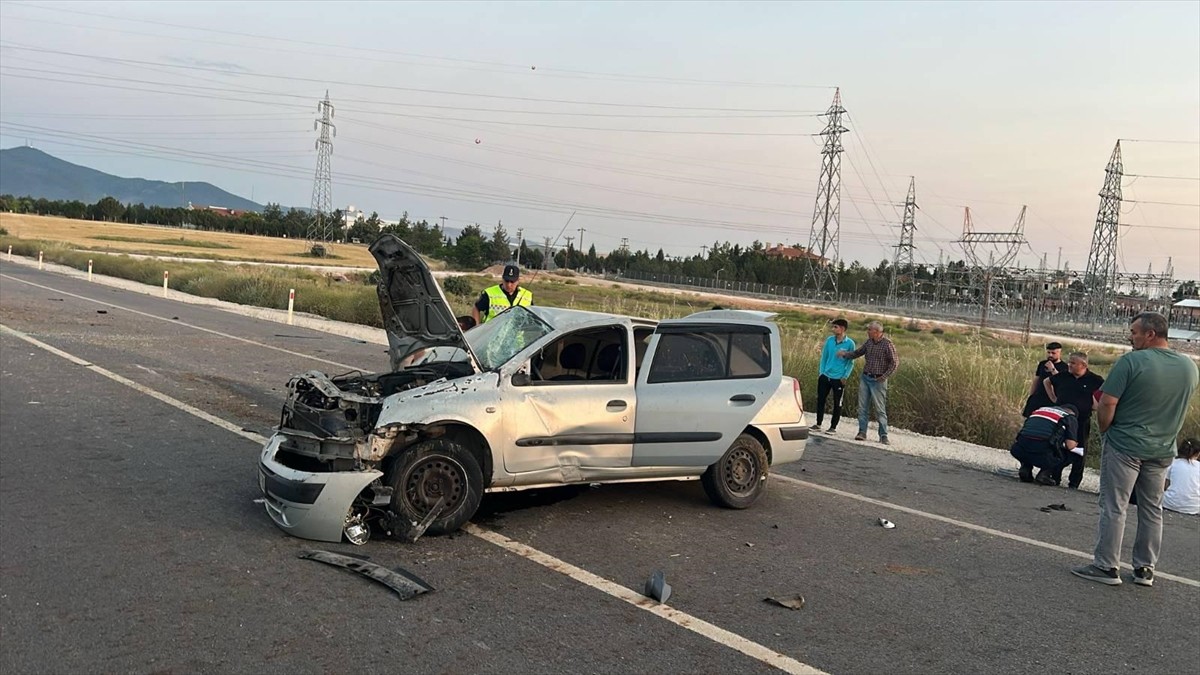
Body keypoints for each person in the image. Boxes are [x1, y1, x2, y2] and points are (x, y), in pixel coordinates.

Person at [1072, 312, 1199, 587]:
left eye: (1134, 332)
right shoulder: (1189, 367)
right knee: (1152, 508)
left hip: (1126, 444)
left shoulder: (1131, 361)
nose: (1131, 337)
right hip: (1163, 447)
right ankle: (1145, 569)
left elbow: (1107, 402)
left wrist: (1106, 429)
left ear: (1150, 334)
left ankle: (1106, 565)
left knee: (1114, 505)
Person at [1043, 352, 1105, 488]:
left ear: (1083, 365)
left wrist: (1096, 406)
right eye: (1069, 362)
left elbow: (1104, 394)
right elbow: (1047, 381)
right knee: (1057, 446)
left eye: (1073, 363)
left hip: (1081, 421)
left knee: (1080, 450)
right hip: (1061, 419)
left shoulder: (1095, 380)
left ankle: (1074, 482)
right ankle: (1054, 476)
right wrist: (1053, 399)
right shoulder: (1064, 375)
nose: (1069, 365)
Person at [838, 320, 899, 444]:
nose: (868, 331)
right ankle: (862, 432)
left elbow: (895, 362)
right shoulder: (869, 342)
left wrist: (885, 376)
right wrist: (845, 354)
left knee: (879, 409)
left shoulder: (887, 344)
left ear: (876, 332)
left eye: (870, 329)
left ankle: (883, 435)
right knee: (862, 407)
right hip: (866, 378)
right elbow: (858, 352)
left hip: (878, 380)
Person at [1009, 403, 1079, 485]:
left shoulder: (1039, 410)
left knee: (1034, 440)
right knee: (1073, 453)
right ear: (1073, 414)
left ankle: (1026, 467)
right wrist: (1075, 444)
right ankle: (1044, 474)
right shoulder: (1069, 417)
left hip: (1019, 449)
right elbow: (1070, 445)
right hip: (1042, 453)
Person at [810, 319, 856, 434]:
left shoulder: (850, 343)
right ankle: (818, 423)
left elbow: (851, 362)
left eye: (836, 327)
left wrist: (845, 376)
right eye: (833, 327)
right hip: (826, 375)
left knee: (837, 403)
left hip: (838, 378)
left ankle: (833, 427)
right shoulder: (830, 340)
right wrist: (821, 372)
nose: (833, 329)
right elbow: (824, 357)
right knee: (821, 399)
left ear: (842, 328)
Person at [1021, 342, 1068, 417]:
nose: (1050, 355)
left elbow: (1061, 382)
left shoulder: (1065, 367)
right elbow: (1037, 379)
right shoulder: (1042, 364)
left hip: (1051, 400)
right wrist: (1031, 395)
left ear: (1059, 353)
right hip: (1038, 397)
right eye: (1048, 352)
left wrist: (1053, 369)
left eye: (1053, 353)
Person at [1162, 438, 1200, 516]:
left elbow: (1164, 485)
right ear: (1197, 453)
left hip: (1169, 503)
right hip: (1193, 508)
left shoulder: (1173, 463)